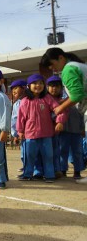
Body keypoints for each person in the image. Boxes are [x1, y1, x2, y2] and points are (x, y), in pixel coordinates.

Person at [40, 47, 87, 184]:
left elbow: (77, 95)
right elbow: (78, 93)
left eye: (52, 64)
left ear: (61, 58)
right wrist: (63, 101)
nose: (52, 69)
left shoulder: (68, 69)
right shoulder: (78, 65)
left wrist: (60, 107)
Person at [16, 74, 66, 182]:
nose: (38, 85)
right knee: (29, 156)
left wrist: (60, 121)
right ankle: (27, 174)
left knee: (48, 156)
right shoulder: (25, 101)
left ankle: (49, 175)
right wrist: (20, 131)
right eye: (35, 83)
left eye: (40, 83)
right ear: (29, 86)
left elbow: (59, 110)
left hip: (46, 135)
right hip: (30, 135)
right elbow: (20, 118)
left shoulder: (48, 98)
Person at [46, 75, 84, 179]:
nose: (54, 88)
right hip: (62, 132)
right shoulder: (49, 101)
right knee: (62, 151)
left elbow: (81, 114)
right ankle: (62, 170)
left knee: (78, 151)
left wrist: (82, 129)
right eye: (52, 86)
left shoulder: (75, 97)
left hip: (76, 131)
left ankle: (77, 171)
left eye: (57, 86)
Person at [10, 79, 27, 173]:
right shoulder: (16, 104)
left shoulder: (30, 101)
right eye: (12, 89)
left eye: (16, 88)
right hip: (21, 133)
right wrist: (15, 134)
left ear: (24, 88)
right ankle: (26, 166)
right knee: (24, 152)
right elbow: (14, 120)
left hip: (32, 131)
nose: (13, 91)